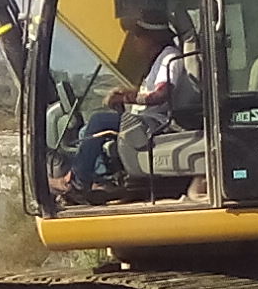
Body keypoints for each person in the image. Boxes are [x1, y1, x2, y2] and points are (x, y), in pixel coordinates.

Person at [65, 16, 186, 197]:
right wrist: (125, 94)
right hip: (148, 118)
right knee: (85, 133)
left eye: (137, 36)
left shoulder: (170, 57)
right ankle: (100, 181)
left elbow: (161, 94)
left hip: (157, 122)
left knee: (99, 121)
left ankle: (78, 181)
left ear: (151, 37)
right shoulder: (159, 59)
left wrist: (128, 97)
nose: (133, 41)